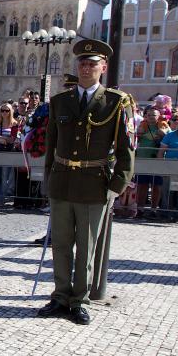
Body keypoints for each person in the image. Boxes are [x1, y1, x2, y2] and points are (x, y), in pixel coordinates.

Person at [38, 40, 134, 325]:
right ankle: (60, 296)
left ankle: (79, 299)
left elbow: (127, 148)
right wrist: (49, 180)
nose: (86, 67)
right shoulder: (60, 101)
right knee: (62, 244)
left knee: (86, 247)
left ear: (102, 68)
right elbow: (51, 146)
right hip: (63, 182)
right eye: (82, 63)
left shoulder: (117, 102)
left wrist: (117, 186)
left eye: (92, 63)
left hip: (95, 184)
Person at [134, 106, 169, 219]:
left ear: (158, 116)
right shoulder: (141, 126)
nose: (151, 117)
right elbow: (134, 139)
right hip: (143, 158)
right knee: (141, 185)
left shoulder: (164, 127)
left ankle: (153, 209)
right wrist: (137, 135)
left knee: (156, 186)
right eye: (148, 115)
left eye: (154, 115)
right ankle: (140, 209)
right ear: (145, 116)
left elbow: (168, 139)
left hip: (157, 160)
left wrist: (163, 135)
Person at [0, 102, 20, 207]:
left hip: (8, 153)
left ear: (10, 111)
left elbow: (13, 138)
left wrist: (1, 138)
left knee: (4, 177)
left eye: (6, 110)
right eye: (2, 110)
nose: (4, 112)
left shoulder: (15, 123)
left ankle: (1, 200)